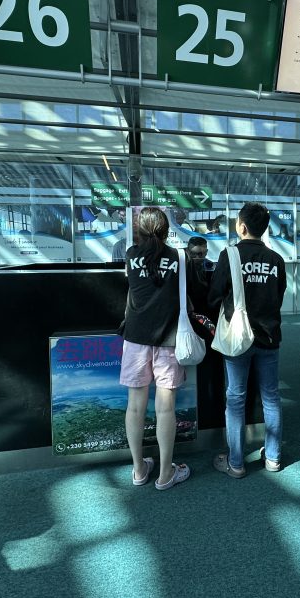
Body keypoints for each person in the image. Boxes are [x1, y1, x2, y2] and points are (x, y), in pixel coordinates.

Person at [209, 202, 286, 477]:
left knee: (235, 399)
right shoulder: (276, 259)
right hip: (269, 336)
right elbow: (278, 295)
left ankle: (236, 463)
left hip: (238, 337)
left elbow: (214, 295)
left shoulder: (229, 255)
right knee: (271, 397)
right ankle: (273, 458)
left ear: (241, 226)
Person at [119, 207, 191, 491]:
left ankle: (139, 470)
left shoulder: (131, 255)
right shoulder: (179, 257)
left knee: (135, 406)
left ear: (140, 229)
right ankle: (165, 474)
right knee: (166, 408)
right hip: (169, 339)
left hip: (136, 338)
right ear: (165, 229)